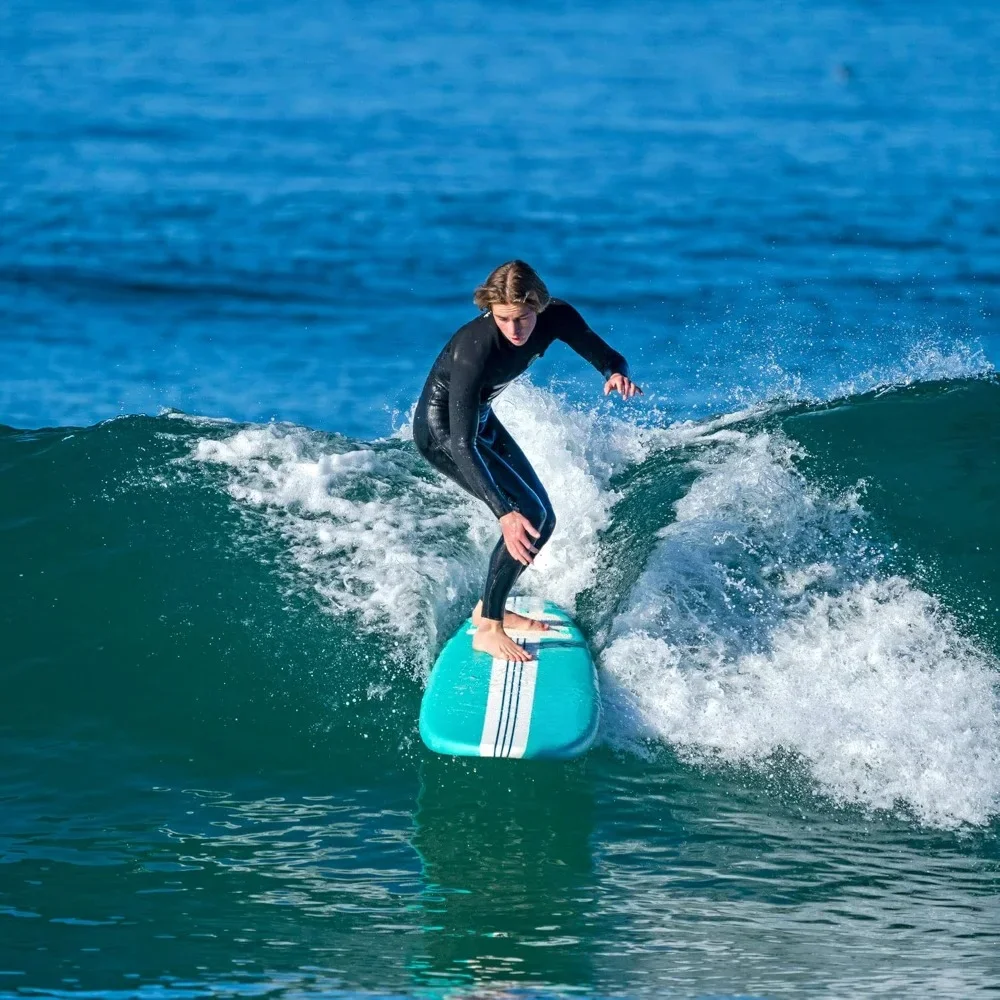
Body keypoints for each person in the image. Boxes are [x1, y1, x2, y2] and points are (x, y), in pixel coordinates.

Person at [412, 261, 642, 663]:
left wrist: (614, 373)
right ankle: (488, 629)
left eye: (522, 318)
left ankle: (489, 608)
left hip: (482, 419)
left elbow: (608, 355)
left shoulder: (558, 317)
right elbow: (460, 443)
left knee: (543, 518)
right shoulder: (475, 345)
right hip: (444, 434)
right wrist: (503, 512)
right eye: (503, 319)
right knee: (523, 515)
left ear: (539, 305)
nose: (514, 330)